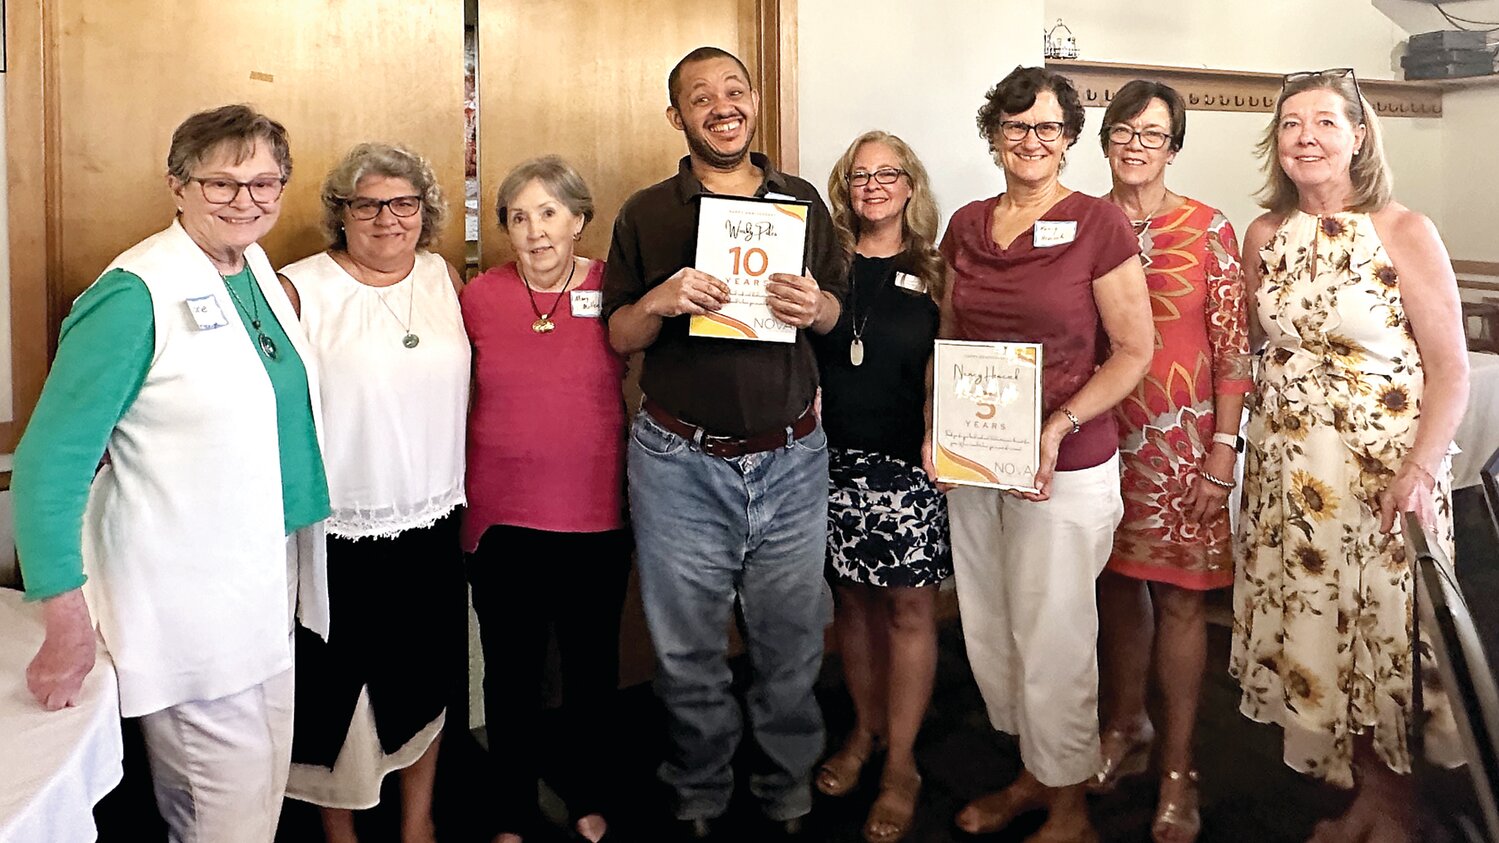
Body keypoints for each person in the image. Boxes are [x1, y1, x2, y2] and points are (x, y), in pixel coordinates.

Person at [12, 104, 329, 842]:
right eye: (222, 183)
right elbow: (48, 462)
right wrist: (63, 620)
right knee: (224, 816)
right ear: (177, 186)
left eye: (264, 182)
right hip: (189, 599)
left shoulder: (249, 263)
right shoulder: (133, 294)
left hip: (260, 570)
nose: (246, 200)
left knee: (259, 792)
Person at [602, 46, 846, 841]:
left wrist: (816, 308)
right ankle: (700, 787)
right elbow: (617, 333)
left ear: (753, 103)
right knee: (684, 650)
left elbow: (838, 315)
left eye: (733, 90)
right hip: (678, 462)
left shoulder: (802, 200)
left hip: (791, 456)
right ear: (678, 117)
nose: (721, 105)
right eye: (699, 97)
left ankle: (784, 785)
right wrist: (662, 299)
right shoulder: (646, 211)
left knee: (790, 640)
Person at [1229, 69, 1468, 843]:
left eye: (1325, 122)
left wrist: (1421, 469)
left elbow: (1452, 370)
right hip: (1290, 477)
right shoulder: (1263, 234)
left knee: (1388, 638)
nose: (1305, 137)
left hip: (1380, 474)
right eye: (1291, 124)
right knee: (1320, 633)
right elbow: (1255, 348)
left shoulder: (1402, 229)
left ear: (1358, 136)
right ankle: (1366, 792)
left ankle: (1404, 807)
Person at [928, 66, 1153, 843]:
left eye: (1048, 128)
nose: (1031, 140)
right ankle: (1035, 771)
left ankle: (1069, 808)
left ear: (1068, 139)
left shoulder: (1098, 225)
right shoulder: (963, 223)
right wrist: (936, 424)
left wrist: (1057, 424)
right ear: (993, 133)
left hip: (1065, 461)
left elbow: (1132, 351)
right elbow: (951, 335)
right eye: (1016, 125)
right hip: (976, 457)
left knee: (1054, 633)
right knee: (991, 627)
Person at [278, 142, 468, 843]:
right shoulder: (300, 287)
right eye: (368, 204)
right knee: (337, 695)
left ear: (425, 211)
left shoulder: (442, 275)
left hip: (436, 513)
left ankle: (418, 822)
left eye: (404, 203)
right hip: (342, 524)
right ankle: (341, 834)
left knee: (424, 679)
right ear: (342, 213)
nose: (388, 218)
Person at [1088, 81, 1251, 843]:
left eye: (1151, 134)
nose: (1134, 144)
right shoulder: (1080, 222)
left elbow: (1232, 350)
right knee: (1115, 595)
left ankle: (1180, 765)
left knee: (1182, 601)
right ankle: (1125, 724)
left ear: (1174, 146)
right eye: (1122, 129)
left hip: (1184, 450)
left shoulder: (1209, 227)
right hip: (1096, 442)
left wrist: (1222, 450)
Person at [463, 155, 628, 843]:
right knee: (510, 676)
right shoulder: (475, 296)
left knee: (592, 672)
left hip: (595, 516)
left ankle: (590, 794)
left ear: (579, 219)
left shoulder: (616, 292)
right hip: (502, 521)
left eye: (550, 213)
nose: (535, 231)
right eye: (518, 216)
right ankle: (509, 810)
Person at [810, 131, 950, 843]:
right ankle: (862, 734)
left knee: (908, 613)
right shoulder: (822, 267)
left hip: (909, 466)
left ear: (908, 185)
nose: (871, 185)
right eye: (858, 175)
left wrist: (948, 443)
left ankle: (901, 762)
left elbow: (953, 363)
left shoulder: (936, 267)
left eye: (885, 173)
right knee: (853, 609)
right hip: (830, 464)